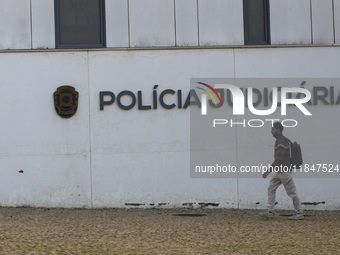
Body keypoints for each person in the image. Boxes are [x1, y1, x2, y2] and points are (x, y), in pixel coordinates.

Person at [260, 122, 304, 220]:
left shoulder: (281, 142)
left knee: (292, 192)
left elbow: (279, 160)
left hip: (284, 171)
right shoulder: (283, 140)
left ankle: (299, 213)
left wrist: (268, 171)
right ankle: (270, 211)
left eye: (273, 129)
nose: (271, 131)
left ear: (278, 130)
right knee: (271, 188)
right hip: (280, 171)